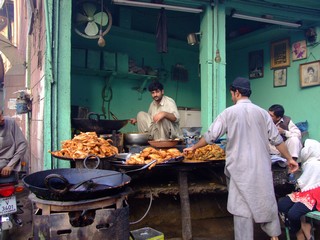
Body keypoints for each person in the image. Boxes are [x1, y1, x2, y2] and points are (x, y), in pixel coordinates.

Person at [183, 77, 299, 240]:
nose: (232, 97)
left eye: (232, 93)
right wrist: (290, 159)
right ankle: (274, 237)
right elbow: (277, 140)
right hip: (260, 167)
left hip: (238, 169)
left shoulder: (228, 113)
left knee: (241, 208)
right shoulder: (262, 113)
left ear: (236, 92)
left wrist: (193, 147)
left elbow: (210, 136)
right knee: (266, 200)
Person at [278, 139, 320, 240]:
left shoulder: (315, 164)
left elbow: (302, 183)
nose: (303, 150)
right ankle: (302, 228)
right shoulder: (308, 163)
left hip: (316, 195)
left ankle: (299, 231)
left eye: (305, 148)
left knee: (293, 214)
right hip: (306, 193)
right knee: (282, 205)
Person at [0, 111, 28, 177]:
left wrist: (10, 165)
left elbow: (22, 144)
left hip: (6, 162)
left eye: (1, 114)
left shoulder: (10, 122)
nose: (2, 118)